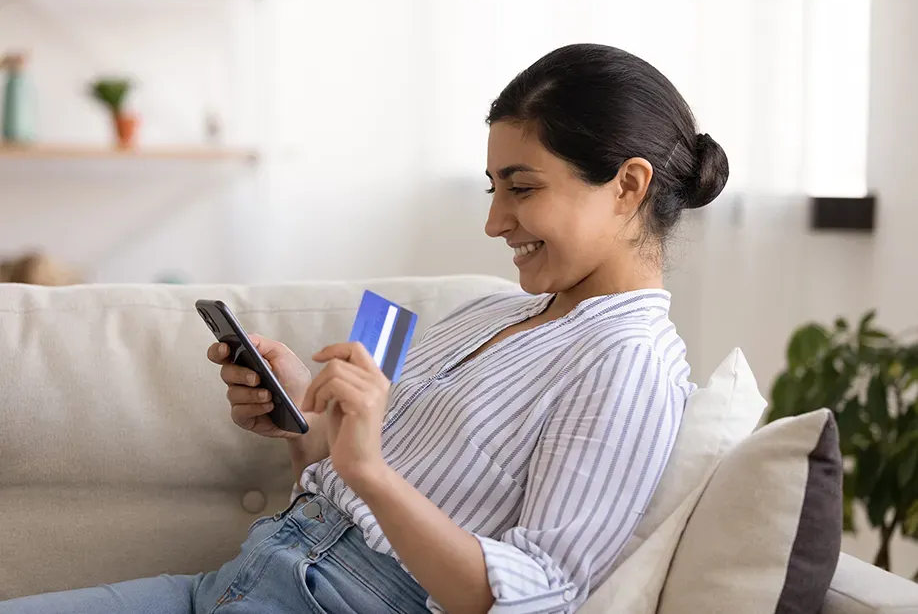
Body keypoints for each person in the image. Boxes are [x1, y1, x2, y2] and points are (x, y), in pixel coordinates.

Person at [0, 43, 727, 614]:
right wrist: (305, 428)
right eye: (492, 187)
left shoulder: (629, 363)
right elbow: (347, 486)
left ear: (628, 186)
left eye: (522, 187)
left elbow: (535, 594)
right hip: (241, 579)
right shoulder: (495, 313)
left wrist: (369, 470)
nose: (494, 221)